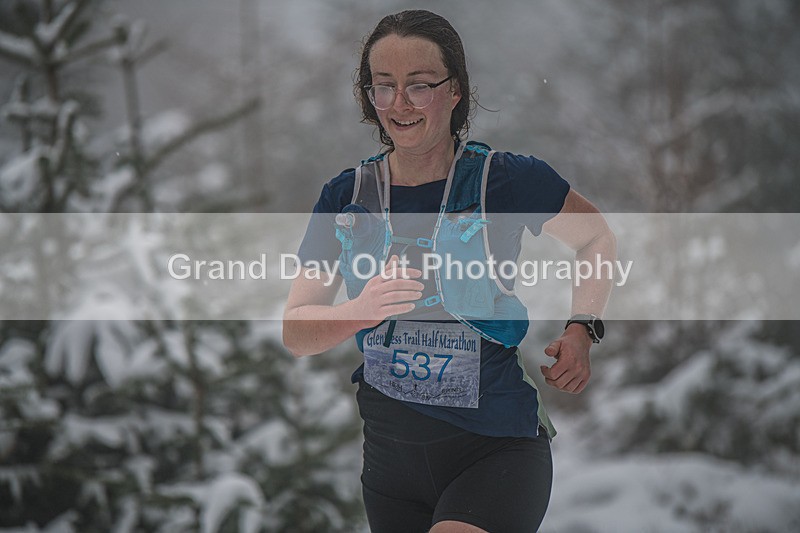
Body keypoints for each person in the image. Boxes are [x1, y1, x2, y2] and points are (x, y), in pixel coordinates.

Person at [283, 9, 615, 533]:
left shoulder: (506, 181)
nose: (400, 103)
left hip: (495, 452)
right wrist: (360, 310)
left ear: (454, 90)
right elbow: (297, 331)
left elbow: (596, 236)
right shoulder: (345, 197)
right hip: (391, 470)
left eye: (420, 85)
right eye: (384, 86)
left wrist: (583, 327)